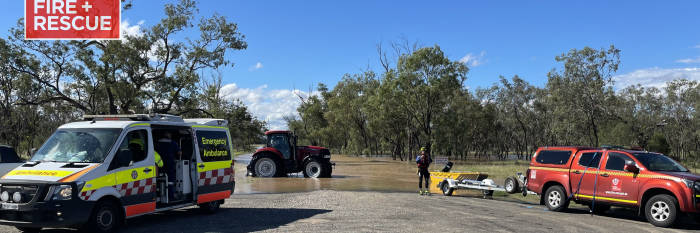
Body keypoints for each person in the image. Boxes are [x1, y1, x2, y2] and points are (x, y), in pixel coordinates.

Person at [155, 132, 180, 200]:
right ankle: (170, 196)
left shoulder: (157, 143)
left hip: (159, 165)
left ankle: (159, 195)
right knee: (170, 181)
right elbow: (179, 153)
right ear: (168, 135)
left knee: (159, 179)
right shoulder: (173, 143)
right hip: (169, 164)